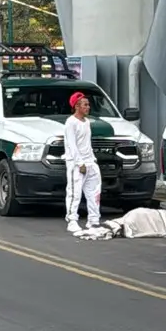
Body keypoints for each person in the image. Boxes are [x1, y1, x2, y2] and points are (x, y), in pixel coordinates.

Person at [63, 91, 102, 234]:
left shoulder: (86, 123)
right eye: (85, 105)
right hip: (76, 164)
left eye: (88, 105)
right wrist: (80, 163)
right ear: (77, 106)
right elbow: (72, 145)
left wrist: (92, 160)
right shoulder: (70, 123)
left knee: (94, 192)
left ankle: (94, 220)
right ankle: (72, 220)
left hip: (90, 162)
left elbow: (87, 143)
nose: (88, 107)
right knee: (75, 193)